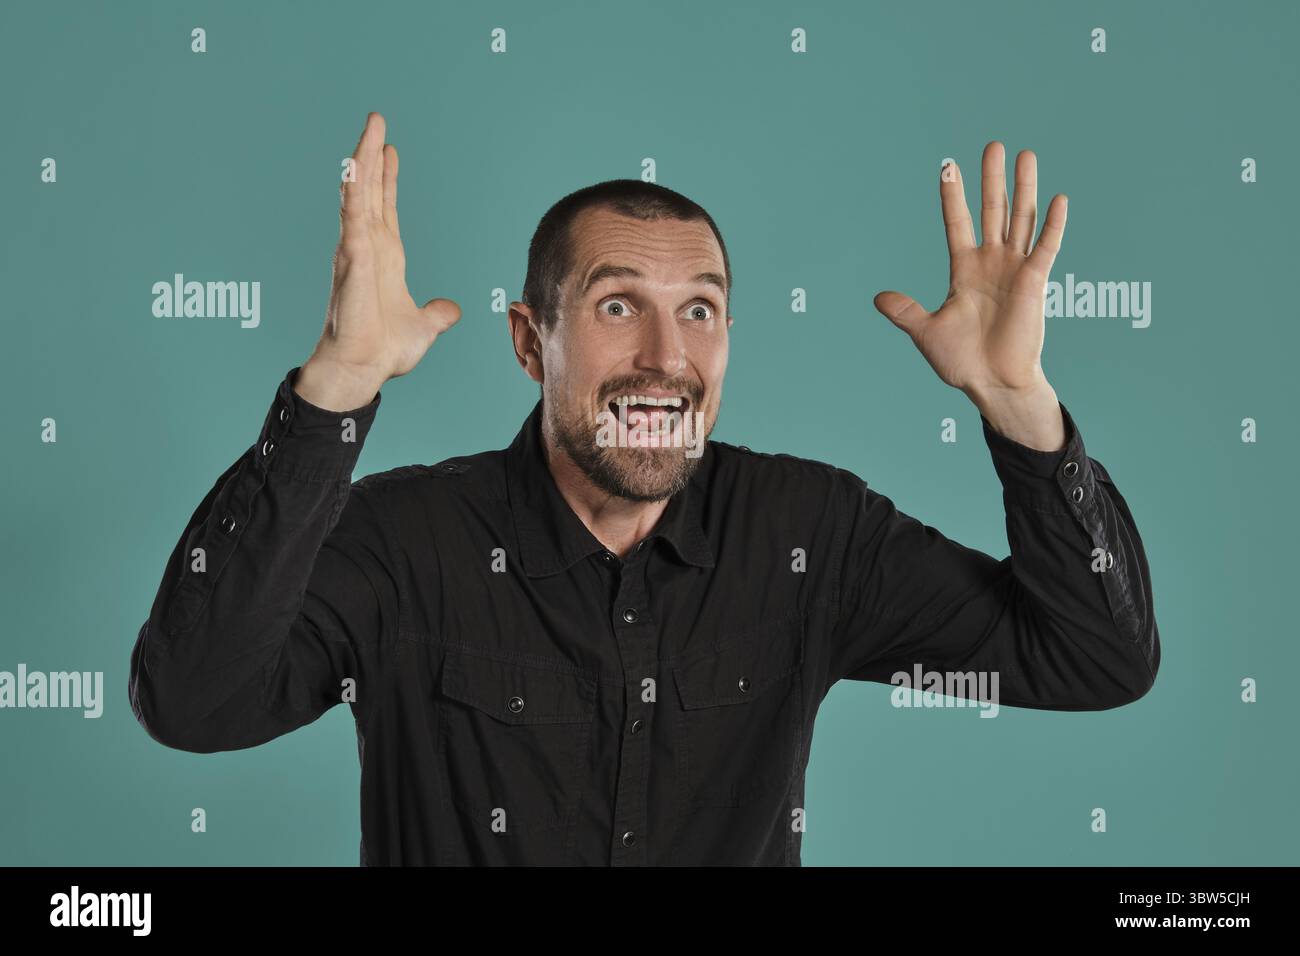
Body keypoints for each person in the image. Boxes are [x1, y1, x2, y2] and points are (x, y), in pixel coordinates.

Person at [129, 112, 1160, 866]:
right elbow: (192, 700)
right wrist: (334, 391)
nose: (666, 358)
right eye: (618, 304)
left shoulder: (811, 534)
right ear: (533, 340)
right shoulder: (406, 542)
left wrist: (1017, 401)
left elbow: (1095, 658)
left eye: (701, 310)